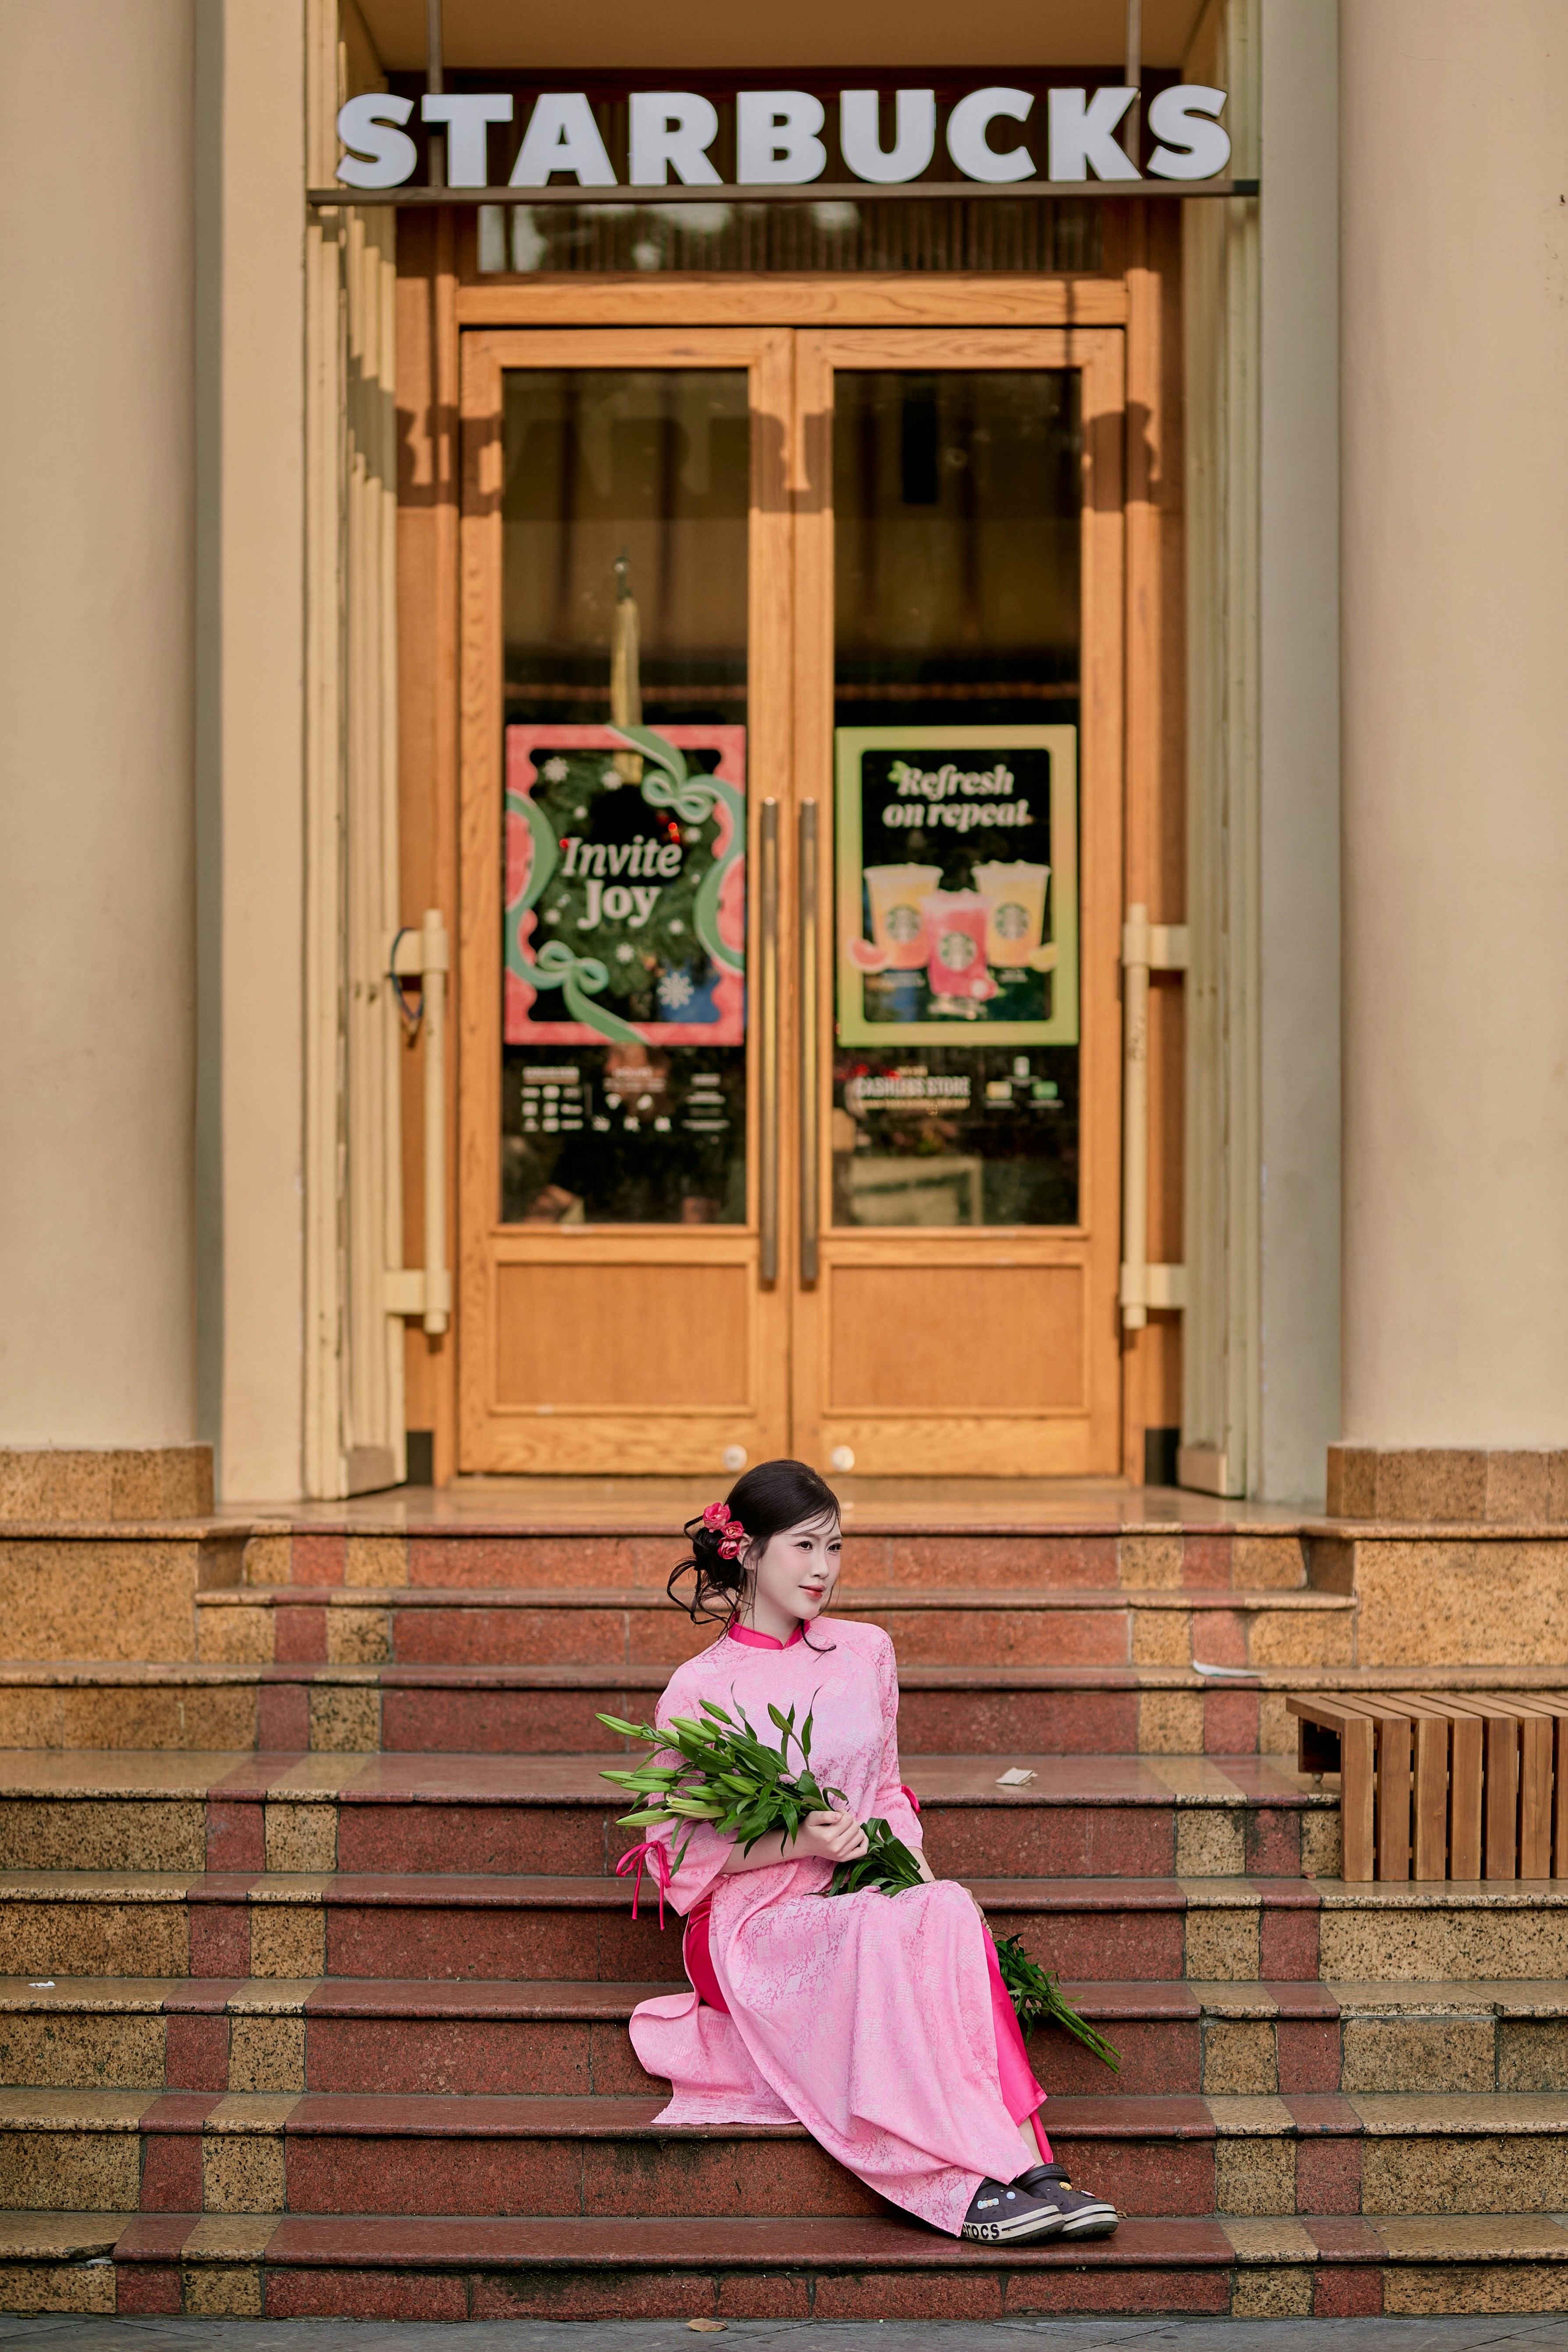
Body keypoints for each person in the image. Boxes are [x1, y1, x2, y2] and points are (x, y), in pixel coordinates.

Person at [621, 1458, 1119, 2244]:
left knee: (946, 1911)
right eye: (805, 1547)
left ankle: (1030, 2162)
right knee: (881, 1931)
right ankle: (960, 2185)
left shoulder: (866, 1653)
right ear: (747, 1550)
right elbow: (668, 1849)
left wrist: (919, 1885)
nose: (824, 1570)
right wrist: (797, 1839)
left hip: (860, 1888)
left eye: (836, 1549)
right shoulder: (700, 1687)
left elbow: (886, 1794)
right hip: (751, 1927)